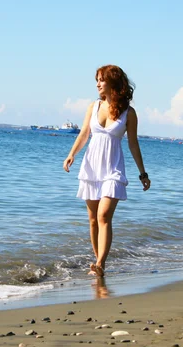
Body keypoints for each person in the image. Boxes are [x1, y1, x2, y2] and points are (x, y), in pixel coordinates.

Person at [63, 65, 151, 277]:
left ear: (113, 83)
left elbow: (133, 144)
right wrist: (72, 153)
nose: (97, 84)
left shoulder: (129, 113)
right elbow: (84, 133)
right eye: (97, 80)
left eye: (101, 80)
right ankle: (98, 262)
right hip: (92, 167)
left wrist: (143, 173)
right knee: (93, 219)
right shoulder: (93, 106)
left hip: (113, 169)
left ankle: (101, 263)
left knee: (104, 216)